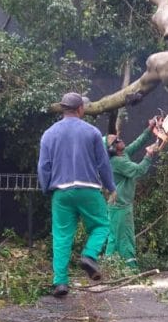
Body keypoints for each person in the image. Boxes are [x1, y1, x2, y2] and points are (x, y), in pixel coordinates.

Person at [37, 92, 116, 297]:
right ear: (81, 109)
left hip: (61, 192)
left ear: (63, 108)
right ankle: (89, 255)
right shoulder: (93, 132)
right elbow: (103, 164)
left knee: (61, 236)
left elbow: (43, 166)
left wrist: (46, 188)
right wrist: (111, 187)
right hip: (88, 189)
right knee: (102, 225)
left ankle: (60, 283)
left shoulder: (48, 134)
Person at [104, 119, 160, 269]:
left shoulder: (122, 154)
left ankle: (108, 269)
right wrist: (148, 155)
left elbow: (137, 143)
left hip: (117, 205)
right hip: (121, 206)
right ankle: (132, 270)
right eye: (116, 141)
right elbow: (139, 170)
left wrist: (150, 129)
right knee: (126, 238)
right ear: (112, 149)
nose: (120, 140)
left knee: (114, 239)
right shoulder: (118, 162)